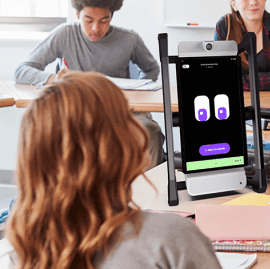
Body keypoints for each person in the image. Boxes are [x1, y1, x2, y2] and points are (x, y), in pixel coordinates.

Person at [0, 72, 222, 269]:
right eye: (128, 116)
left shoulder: (23, 248)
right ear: (106, 146)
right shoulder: (172, 238)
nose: (141, 127)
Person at [13, 0, 165, 169]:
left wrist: (137, 94)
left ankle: (148, 195)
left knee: (150, 131)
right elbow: (22, 70)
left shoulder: (129, 39)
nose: (95, 28)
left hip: (120, 109)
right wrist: (53, 79)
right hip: (77, 110)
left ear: (112, 16)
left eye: (104, 21)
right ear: (77, 14)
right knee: (46, 130)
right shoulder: (64, 35)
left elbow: (151, 69)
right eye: (88, 20)